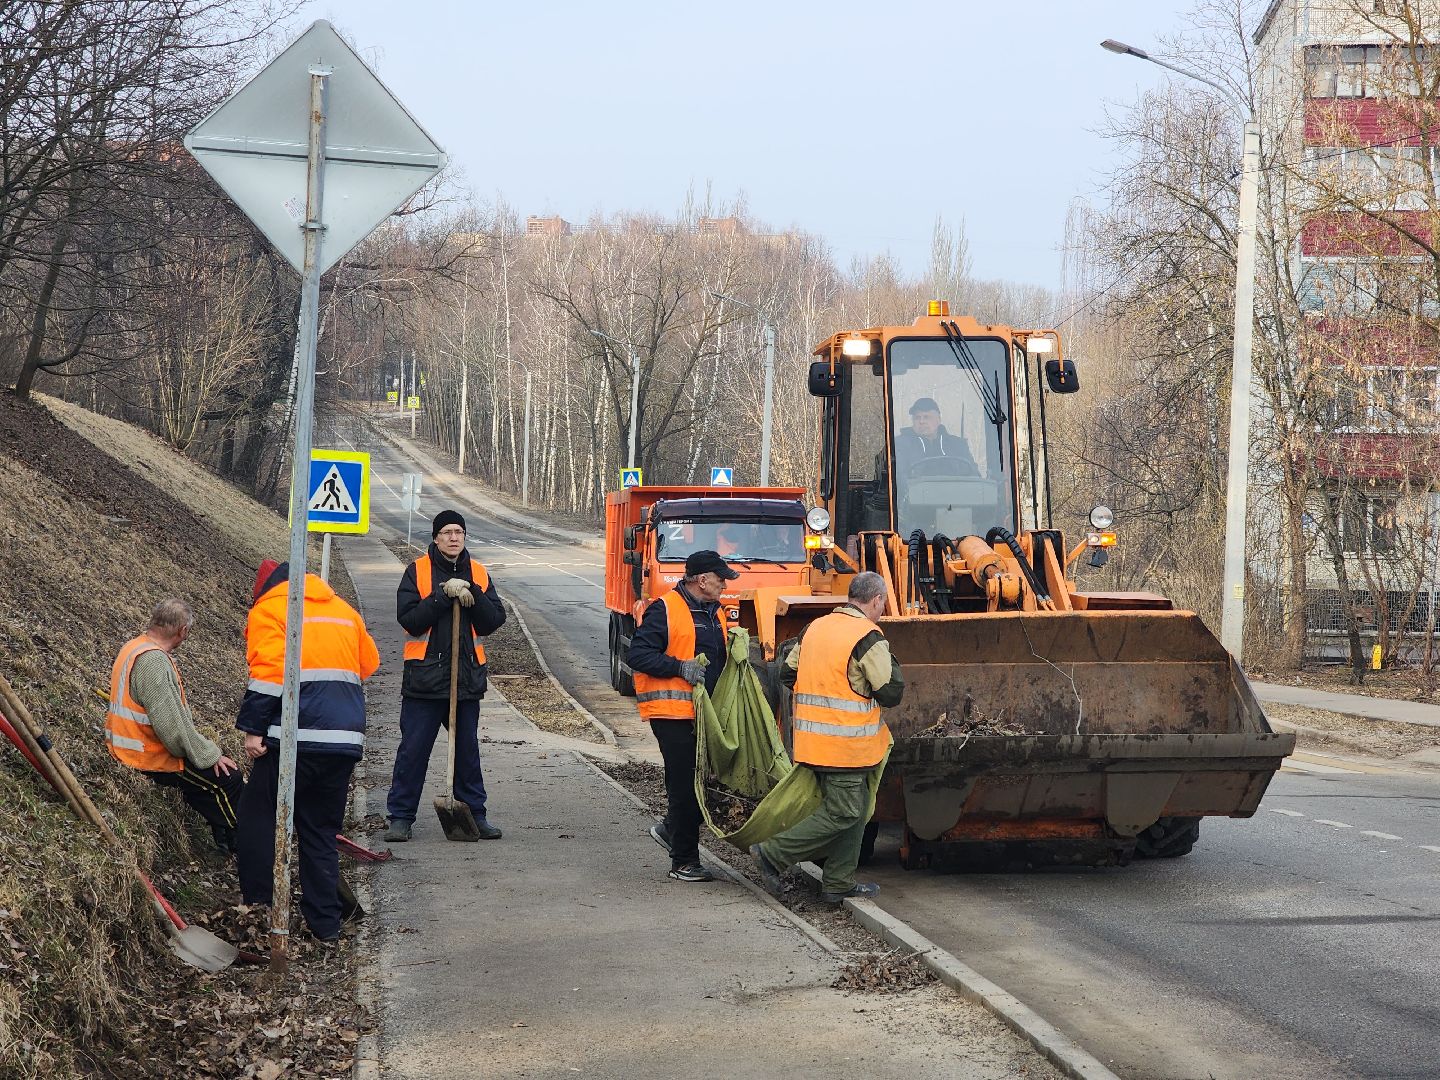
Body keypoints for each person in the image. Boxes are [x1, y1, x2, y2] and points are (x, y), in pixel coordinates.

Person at [233, 561, 379, 942]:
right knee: (320, 831)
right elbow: (369, 663)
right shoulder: (343, 610)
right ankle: (325, 926)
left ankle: (260, 910)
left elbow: (269, 673)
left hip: (294, 736)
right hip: (344, 739)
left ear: (265, 589)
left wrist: (253, 729)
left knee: (257, 816)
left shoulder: (271, 609)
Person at [751, 571, 903, 905]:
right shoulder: (868, 637)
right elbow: (891, 692)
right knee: (844, 813)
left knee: (858, 810)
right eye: (882, 604)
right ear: (877, 599)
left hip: (812, 742)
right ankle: (772, 854)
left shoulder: (815, 628)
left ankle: (838, 882)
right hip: (847, 746)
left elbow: (787, 673)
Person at [385, 509, 506, 842]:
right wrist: (442, 596)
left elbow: (493, 621)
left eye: (459, 532)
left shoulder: (478, 572)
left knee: (467, 752)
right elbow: (410, 620)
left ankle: (475, 815)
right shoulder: (417, 571)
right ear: (436, 538)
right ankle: (400, 818)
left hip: (465, 680)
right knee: (413, 751)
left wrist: (473, 594)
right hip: (424, 681)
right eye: (447, 532)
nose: (454, 538)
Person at [627, 549, 737, 882]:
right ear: (702, 580)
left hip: (701, 713)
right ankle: (684, 862)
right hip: (671, 713)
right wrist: (679, 667)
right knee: (685, 787)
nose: (725, 585)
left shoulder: (715, 612)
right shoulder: (665, 609)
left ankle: (670, 829)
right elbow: (638, 655)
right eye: (720, 579)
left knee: (701, 783)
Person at [105, 598, 244, 855]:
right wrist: (209, 755)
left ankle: (223, 837)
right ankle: (244, 843)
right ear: (183, 631)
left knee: (209, 778)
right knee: (229, 778)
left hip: (127, 743)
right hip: (147, 755)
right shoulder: (153, 662)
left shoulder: (134, 646)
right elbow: (172, 730)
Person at [894, 396, 977, 481]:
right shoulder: (899, 446)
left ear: (938, 420)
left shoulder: (958, 445)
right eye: (917, 417)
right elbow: (897, 479)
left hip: (955, 489)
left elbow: (975, 477)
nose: (921, 421)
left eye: (926, 417)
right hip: (915, 489)